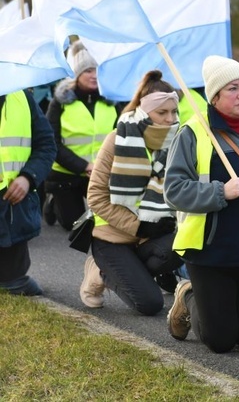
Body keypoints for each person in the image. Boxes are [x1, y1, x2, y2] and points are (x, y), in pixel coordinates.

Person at [164, 55, 239, 354]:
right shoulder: (193, 132)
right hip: (211, 254)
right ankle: (188, 295)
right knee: (220, 341)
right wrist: (221, 192)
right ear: (215, 96)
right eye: (233, 88)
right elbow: (174, 189)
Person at [81, 70, 183, 314]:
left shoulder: (178, 140)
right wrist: (139, 226)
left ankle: (130, 272)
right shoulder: (117, 139)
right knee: (150, 304)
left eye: (174, 112)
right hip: (111, 237)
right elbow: (95, 197)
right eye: (162, 112)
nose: (170, 119)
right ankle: (100, 271)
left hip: (150, 236)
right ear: (143, 111)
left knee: (186, 244)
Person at [44, 40, 120, 230]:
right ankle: (53, 202)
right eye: (88, 71)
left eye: (97, 70)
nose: (94, 76)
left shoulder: (111, 102)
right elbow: (51, 143)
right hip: (65, 174)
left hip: (100, 173)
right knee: (75, 225)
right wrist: (85, 166)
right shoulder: (59, 103)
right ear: (77, 74)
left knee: (107, 221)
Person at [0, 89, 56, 296]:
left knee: (15, 283)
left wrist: (28, 177)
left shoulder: (21, 96)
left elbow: (47, 145)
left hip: (12, 207)